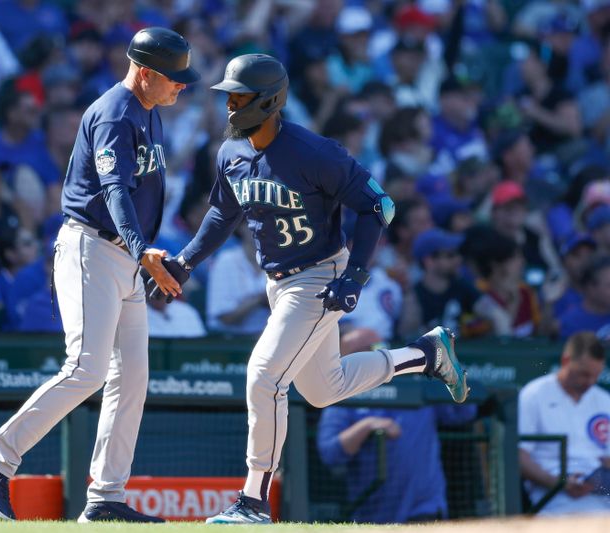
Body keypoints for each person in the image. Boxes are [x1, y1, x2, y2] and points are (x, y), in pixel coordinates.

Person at [146, 54, 469, 524]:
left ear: (270, 100)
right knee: (322, 388)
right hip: (277, 280)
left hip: (319, 274)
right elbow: (222, 214)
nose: (231, 104)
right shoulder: (231, 152)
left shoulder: (314, 151)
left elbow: (379, 206)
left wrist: (355, 275)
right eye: (229, 95)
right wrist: (188, 261)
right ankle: (425, 355)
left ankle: (253, 501)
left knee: (263, 376)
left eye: (240, 95)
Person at [0, 27, 200, 522]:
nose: (182, 85)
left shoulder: (150, 112)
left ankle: (107, 496)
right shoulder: (115, 112)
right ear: (145, 71)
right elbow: (114, 191)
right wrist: (143, 250)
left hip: (126, 257)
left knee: (132, 377)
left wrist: (143, 254)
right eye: (174, 78)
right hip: (92, 247)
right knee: (86, 368)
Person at [317, 398, 477, 523]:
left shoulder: (422, 381)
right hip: (371, 514)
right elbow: (329, 452)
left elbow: (465, 411)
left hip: (423, 510)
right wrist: (366, 426)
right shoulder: (350, 385)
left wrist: (448, 368)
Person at [519, 331, 610, 515]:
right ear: (566, 361)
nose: (590, 382)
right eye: (584, 374)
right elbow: (519, 458)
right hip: (553, 499)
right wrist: (559, 482)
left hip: (601, 494)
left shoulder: (604, 399)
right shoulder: (534, 394)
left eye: (596, 375)